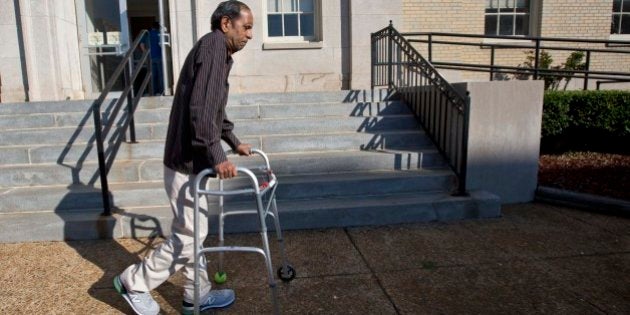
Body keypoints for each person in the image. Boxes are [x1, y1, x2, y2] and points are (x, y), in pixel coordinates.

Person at [113, 2, 254, 314]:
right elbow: (201, 112)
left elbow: (214, 110)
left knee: (194, 231)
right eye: (246, 27)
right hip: (187, 161)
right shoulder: (214, 47)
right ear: (226, 23)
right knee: (189, 234)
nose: (250, 35)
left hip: (192, 161)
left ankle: (196, 294)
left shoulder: (217, 51)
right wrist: (218, 155)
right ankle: (133, 282)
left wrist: (233, 140)